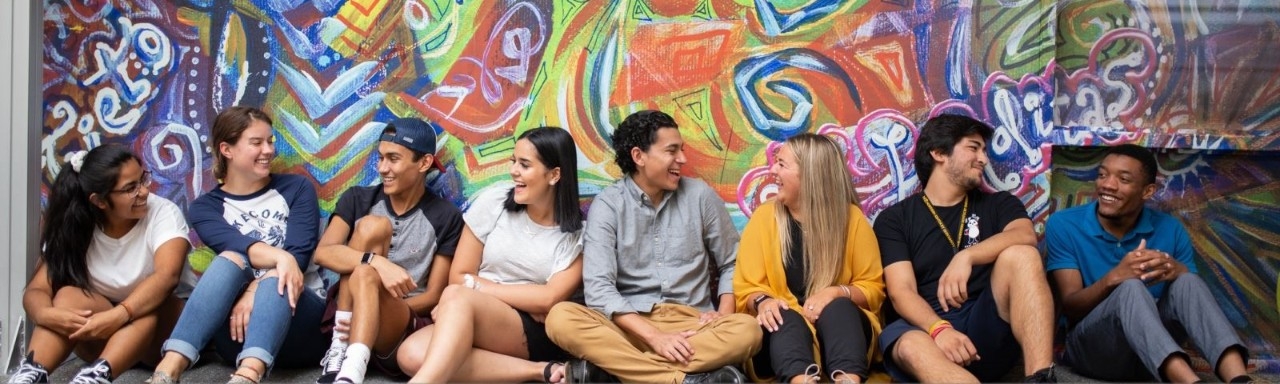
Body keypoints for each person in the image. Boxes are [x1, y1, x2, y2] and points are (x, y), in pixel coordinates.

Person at [544, 110, 760, 384]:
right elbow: (599, 288)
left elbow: (732, 261)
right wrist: (654, 337)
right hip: (629, 328)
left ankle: (616, 371)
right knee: (561, 318)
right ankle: (684, 379)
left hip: (694, 327)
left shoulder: (700, 195)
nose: (682, 159)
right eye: (672, 151)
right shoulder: (608, 205)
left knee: (748, 331)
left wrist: (723, 313)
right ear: (639, 156)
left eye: (681, 150)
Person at [1044, 144, 1254, 383]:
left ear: (1147, 191)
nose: (1107, 185)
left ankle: (1239, 379)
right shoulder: (1064, 224)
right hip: (1096, 352)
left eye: (1123, 179)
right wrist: (1115, 277)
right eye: (1102, 175)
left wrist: (1176, 271)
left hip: (1153, 353)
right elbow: (1070, 306)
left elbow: (1193, 302)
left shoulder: (1170, 228)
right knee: (1130, 288)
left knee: (1187, 280)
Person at [873, 114, 1055, 383]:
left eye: (984, 150)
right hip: (925, 330)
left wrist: (967, 256)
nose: (983, 159)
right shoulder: (895, 219)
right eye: (973, 147)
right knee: (909, 345)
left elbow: (1025, 235)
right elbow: (902, 292)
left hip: (987, 326)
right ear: (938, 153)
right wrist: (939, 329)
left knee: (1022, 254)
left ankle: (1041, 379)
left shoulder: (999, 204)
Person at [152, 106, 328, 384]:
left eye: (270, 141)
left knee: (276, 275)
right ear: (227, 149)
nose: (268, 150)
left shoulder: (296, 189)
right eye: (256, 143)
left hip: (300, 323)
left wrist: (257, 288)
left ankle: (248, 376)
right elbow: (239, 246)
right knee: (229, 259)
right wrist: (281, 258)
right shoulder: (204, 208)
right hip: (237, 330)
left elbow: (298, 256)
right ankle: (168, 370)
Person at [396, 127, 584, 383]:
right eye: (513, 161)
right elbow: (459, 275)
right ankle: (541, 370)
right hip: (471, 309)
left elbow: (548, 299)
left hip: (527, 327)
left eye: (525, 165)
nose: (513, 171)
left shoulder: (577, 236)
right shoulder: (494, 201)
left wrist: (473, 289)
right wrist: (472, 294)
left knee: (455, 297)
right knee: (410, 355)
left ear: (554, 174)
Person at [8, 145, 192, 384]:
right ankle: (32, 372)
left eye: (143, 179)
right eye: (131, 188)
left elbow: (167, 277)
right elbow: (37, 290)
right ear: (99, 201)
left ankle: (98, 375)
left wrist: (119, 315)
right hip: (100, 336)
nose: (144, 191)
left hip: (161, 339)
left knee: (149, 306)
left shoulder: (163, 212)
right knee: (68, 296)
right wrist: (47, 315)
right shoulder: (75, 224)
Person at [313, 117, 463, 383]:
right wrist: (377, 262)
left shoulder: (445, 216)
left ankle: (351, 361)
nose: (383, 168)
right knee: (371, 231)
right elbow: (323, 253)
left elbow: (434, 295)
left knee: (366, 275)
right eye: (380, 158)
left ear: (424, 163)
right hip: (346, 316)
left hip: (399, 324)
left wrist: (378, 304)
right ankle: (346, 360)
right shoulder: (358, 198)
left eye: (393, 159)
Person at [734, 133, 885, 384]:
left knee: (840, 309)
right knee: (782, 315)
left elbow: (873, 289)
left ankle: (848, 380)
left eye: (782, 164)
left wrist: (837, 292)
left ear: (810, 175)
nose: (773, 170)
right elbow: (746, 288)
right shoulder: (764, 218)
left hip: (840, 341)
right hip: (780, 343)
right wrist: (762, 302)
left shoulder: (852, 219)